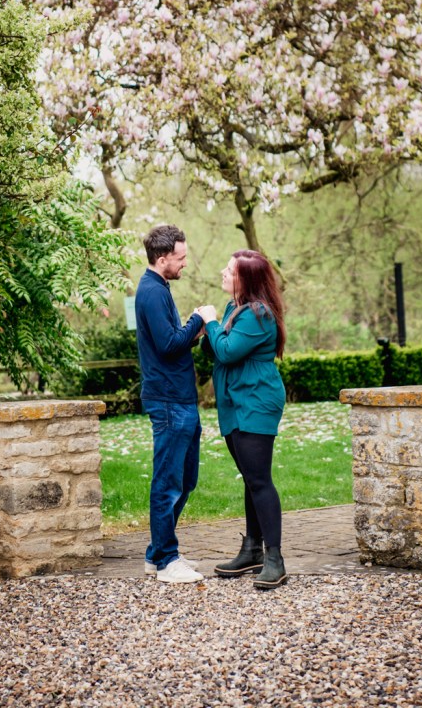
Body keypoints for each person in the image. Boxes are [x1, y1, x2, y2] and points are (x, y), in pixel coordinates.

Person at [198, 249, 288, 590]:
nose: (222, 272)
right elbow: (217, 351)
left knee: (260, 479)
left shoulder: (258, 313)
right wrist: (211, 329)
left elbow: (227, 351)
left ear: (245, 279)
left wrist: (209, 322)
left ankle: (274, 559)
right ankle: (251, 549)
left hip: (255, 400)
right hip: (236, 400)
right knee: (251, 478)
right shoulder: (235, 309)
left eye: (229, 269)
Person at [134, 224, 206, 584]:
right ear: (162, 259)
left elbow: (172, 342)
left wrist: (193, 333)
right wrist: (199, 319)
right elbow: (166, 345)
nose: (185, 264)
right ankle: (166, 560)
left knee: (186, 479)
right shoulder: (151, 292)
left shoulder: (159, 288)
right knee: (168, 483)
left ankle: (156, 552)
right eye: (180, 258)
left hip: (179, 399)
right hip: (168, 402)